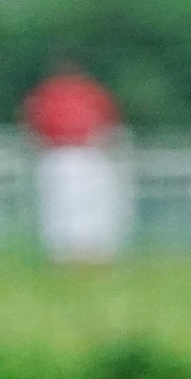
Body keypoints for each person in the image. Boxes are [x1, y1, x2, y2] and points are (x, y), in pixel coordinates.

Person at [23, 65, 128, 262]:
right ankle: (70, 253)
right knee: (64, 208)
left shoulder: (57, 94)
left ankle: (91, 252)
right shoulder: (54, 94)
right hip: (62, 154)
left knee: (88, 207)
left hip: (87, 154)